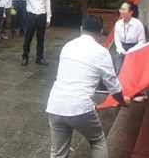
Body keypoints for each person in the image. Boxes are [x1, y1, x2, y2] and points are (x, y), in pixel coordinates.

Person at [46, 14, 130, 158]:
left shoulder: (68, 46)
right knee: (97, 141)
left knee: (58, 153)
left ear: (81, 29)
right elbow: (114, 87)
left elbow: (72, 77)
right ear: (101, 33)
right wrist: (123, 101)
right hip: (80, 107)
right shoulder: (102, 52)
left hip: (55, 105)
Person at [113, 1, 147, 102]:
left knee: (135, 72)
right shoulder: (118, 23)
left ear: (131, 11)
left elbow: (142, 41)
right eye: (121, 9)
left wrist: (131, 50)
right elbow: (117, 39)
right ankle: (122, 94)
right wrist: (121, 50)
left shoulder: (138, 24)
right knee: (119, 70)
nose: (121, 11)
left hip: (135, 48)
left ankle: (141, 93)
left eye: (124, 9)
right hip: (121, 48)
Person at [18, 0, 51, 66]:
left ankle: (39, 58)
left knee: (41, 38)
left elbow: (48, 5)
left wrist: (48, 18)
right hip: (31, 16)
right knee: (28, 37)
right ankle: (25, 57)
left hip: (41, 16)